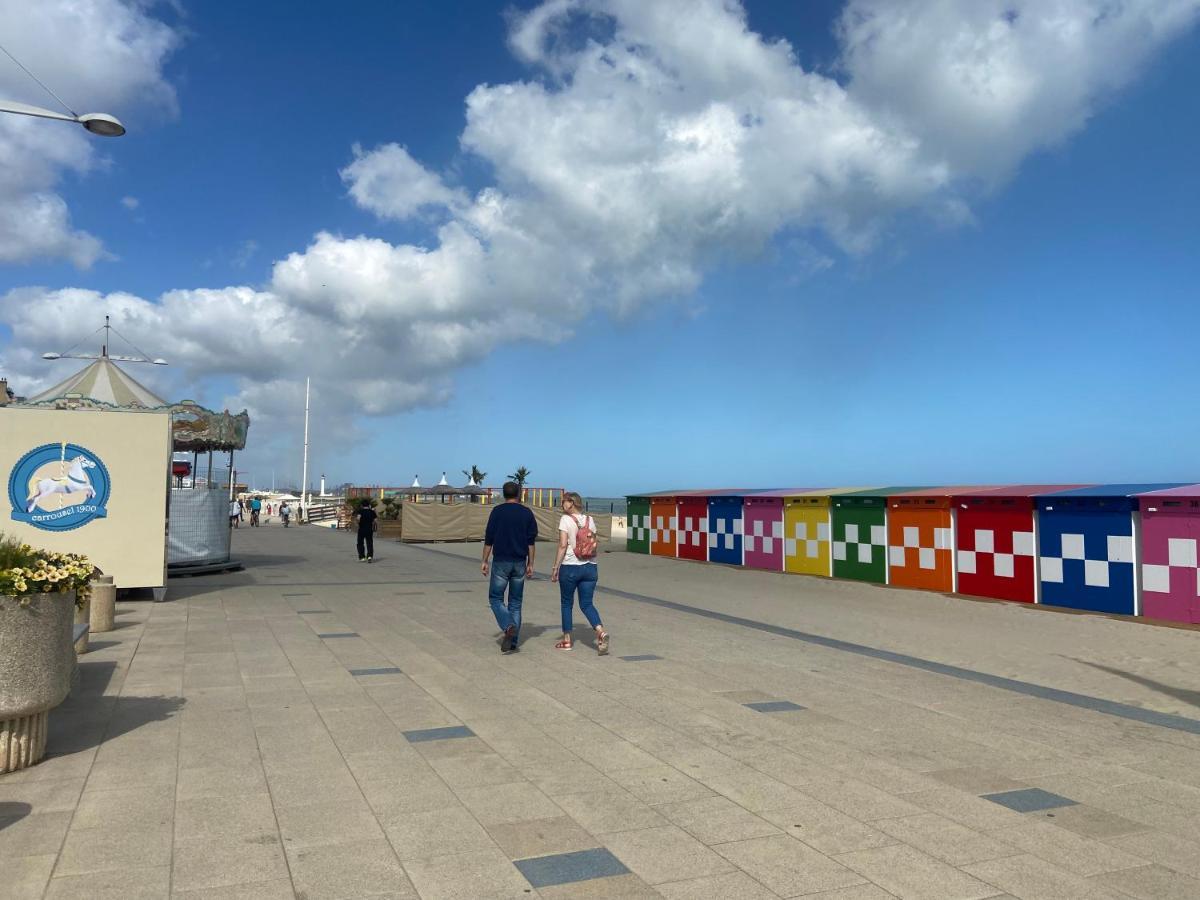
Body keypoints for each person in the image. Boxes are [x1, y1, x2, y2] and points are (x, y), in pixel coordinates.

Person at [482, 481, 538, 653]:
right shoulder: (527, 513)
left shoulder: (497, 512)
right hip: (519, 562)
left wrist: (484, 560)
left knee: (495, 598)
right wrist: (531, 564)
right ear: (519, 494)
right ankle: (513, 641)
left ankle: (508, 626)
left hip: (501, 561)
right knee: (515, 602)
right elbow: (531, 542)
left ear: (504, 494)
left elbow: (489, 538)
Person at [552, 491, 609, 654]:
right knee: (587, 604)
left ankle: (567, 640)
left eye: (564, 501)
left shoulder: (565, 519)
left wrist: (556, 567)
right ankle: (600, 631)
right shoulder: (590, 520)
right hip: (590, 567)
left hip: (570, 566)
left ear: (572, 503)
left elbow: (563, 545)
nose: (562, 504)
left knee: (566, 603)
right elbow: (593, 543)